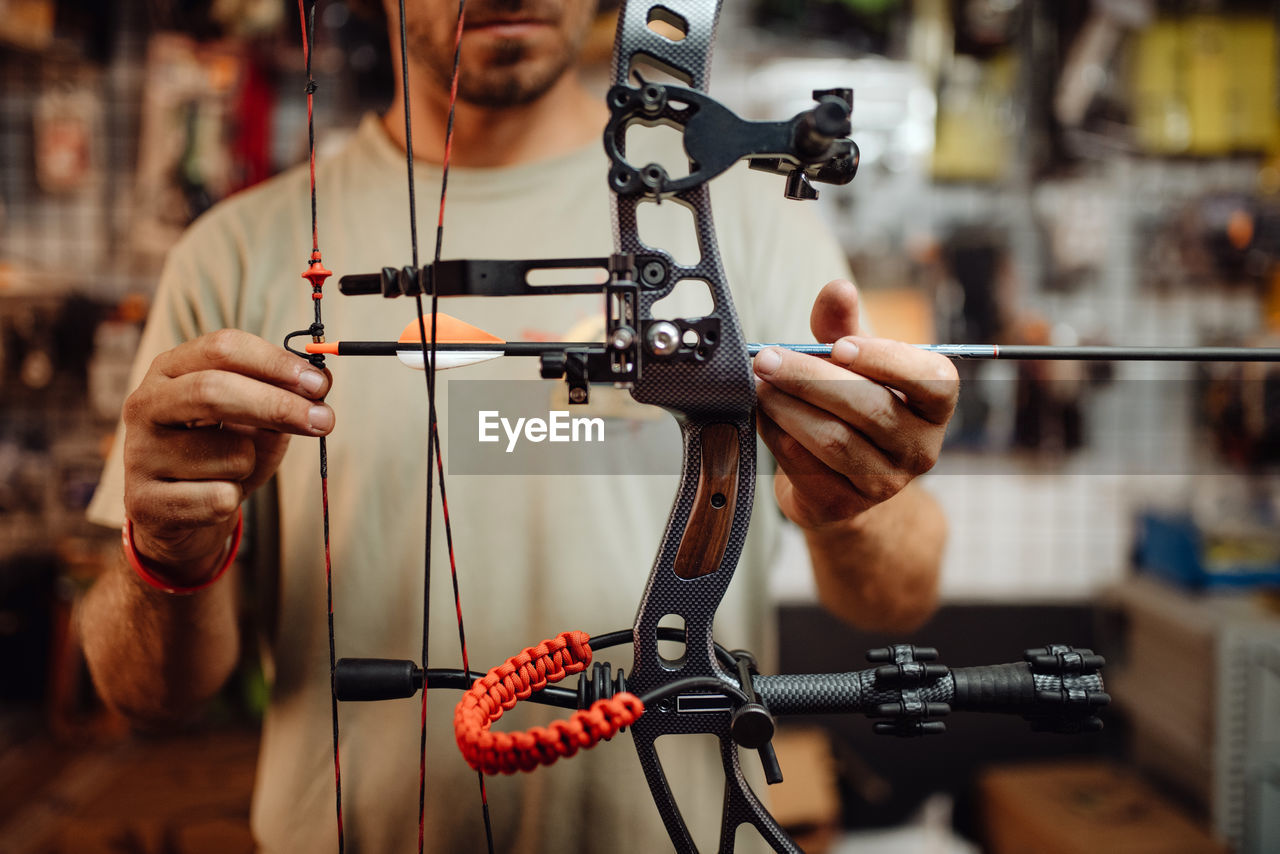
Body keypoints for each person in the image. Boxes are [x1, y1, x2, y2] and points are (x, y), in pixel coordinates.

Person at [80, 1, 957, 851]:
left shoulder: (746, 217)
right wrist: (167, 553)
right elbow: (143, 697)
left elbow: (899, 596)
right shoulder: (233, 254)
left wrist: (853, 494)